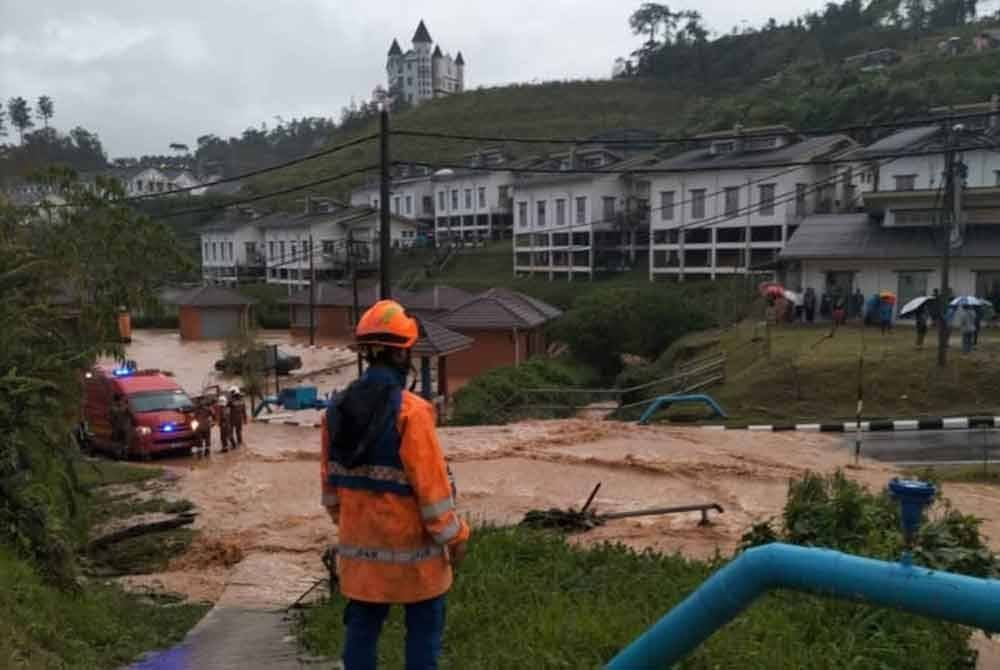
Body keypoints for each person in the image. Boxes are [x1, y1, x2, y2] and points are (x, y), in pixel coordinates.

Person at [322, 300, 470, 670]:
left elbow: (330, 494)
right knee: (422, 633)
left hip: (360, 559)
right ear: (403, 354)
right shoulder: (412, 413)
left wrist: (358, 527)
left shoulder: (335, 410)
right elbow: (433, 495)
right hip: (416, 560)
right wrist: (457, 537)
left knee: (361, 634)